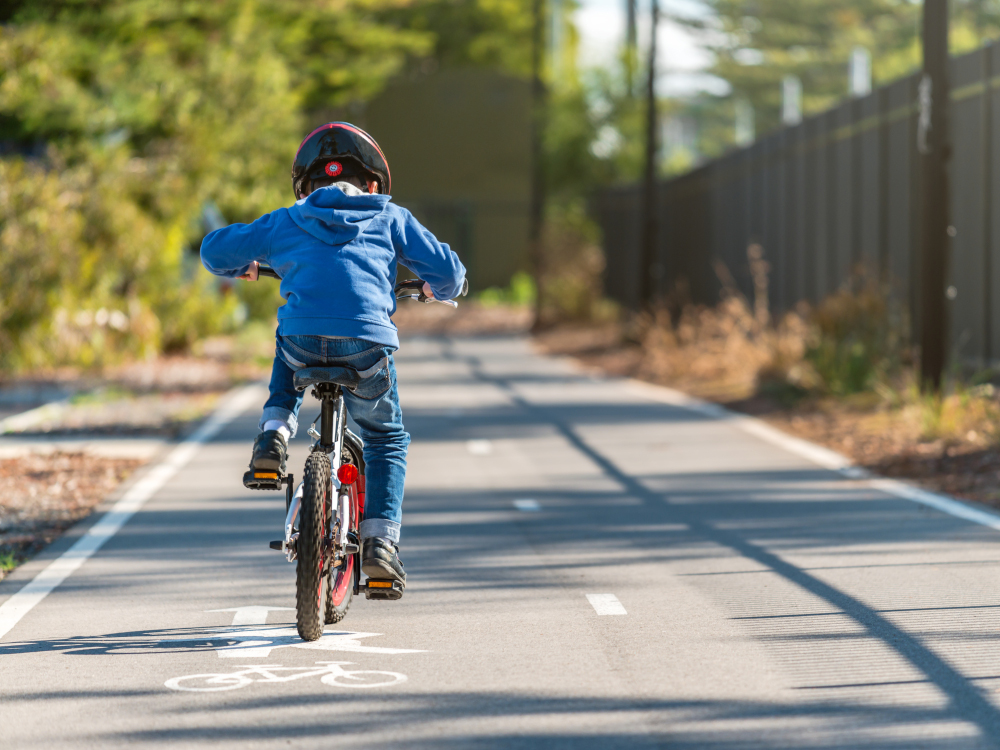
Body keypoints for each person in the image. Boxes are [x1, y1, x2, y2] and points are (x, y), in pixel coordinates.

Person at [200, 122, 466, 589]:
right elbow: (450, 273)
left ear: (306, 186)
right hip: (366, 347)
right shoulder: (390, 216)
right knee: (386, 439)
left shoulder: (287, 220)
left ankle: (273, 434)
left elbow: (213, 250)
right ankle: (380, 545)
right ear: (375, 184)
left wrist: (245, 263)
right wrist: (435, 287)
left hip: (303, 344)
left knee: (289, 339)